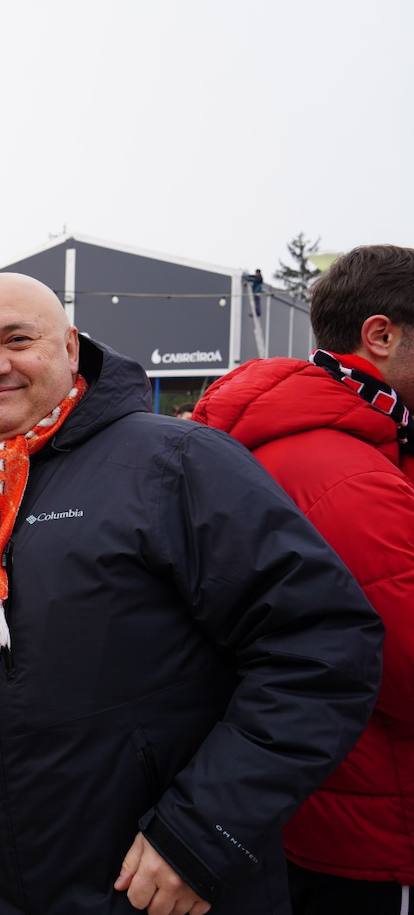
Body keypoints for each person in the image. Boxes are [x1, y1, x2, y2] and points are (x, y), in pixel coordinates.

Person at [0, 272, 383, 915]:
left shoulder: (177, 463)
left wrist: (202, 833)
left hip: (157, 886)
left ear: (72, 349)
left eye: (18, 339)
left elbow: (323, 647)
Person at [195, 245, 414, 914]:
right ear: (380, 334)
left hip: (304, 801)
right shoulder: (345, 473)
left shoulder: (326, 437)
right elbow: (400, 663)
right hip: (366, 819)